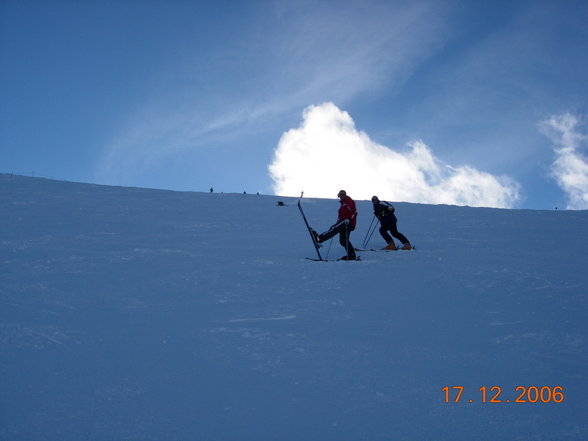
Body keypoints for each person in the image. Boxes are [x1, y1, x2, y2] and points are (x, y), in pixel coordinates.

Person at [312, 190, 358, 260]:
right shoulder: (343, 203)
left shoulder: (349, 201)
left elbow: (354, 211)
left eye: (342, 194)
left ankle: (319, 239)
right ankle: (351, 255)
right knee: (343, 241)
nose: (341, 196)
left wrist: (349, 219)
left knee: (333, 229)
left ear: (345, 195)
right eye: (340, 195)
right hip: (345, 222)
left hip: (347, 222)